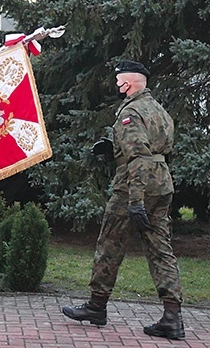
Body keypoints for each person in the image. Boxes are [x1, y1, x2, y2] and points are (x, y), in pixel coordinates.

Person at [61, 60, 184, 339]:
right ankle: (172, 317)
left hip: (133, 187)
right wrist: (114, 149)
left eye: (118, 81)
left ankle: (96, 306)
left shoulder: (130, 111)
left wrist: (136, 200)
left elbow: (138, 157)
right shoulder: (159, 110)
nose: (116, 86)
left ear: (126, 83)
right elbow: (155, 149)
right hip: (161, 183)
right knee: (160, 250)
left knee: (110, 244)